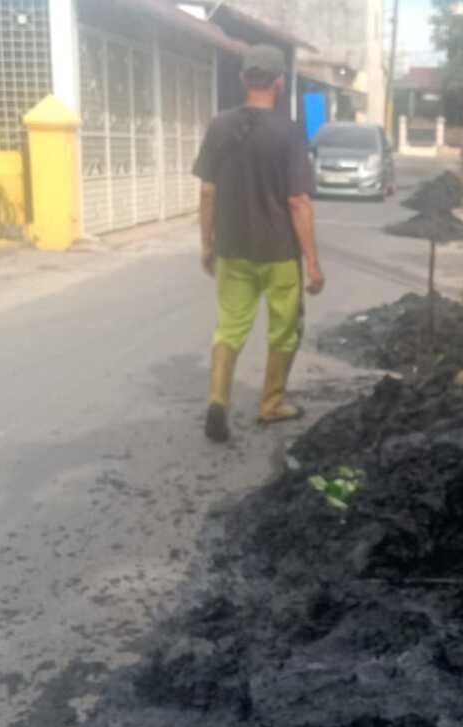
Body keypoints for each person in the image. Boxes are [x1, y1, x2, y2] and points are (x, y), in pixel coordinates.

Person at [193, 44, 325, 443]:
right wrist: (313, 263)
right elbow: (298, 201)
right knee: (284, 329)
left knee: (229, 327)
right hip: (279, 253)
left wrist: (207, 244)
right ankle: (271, 404)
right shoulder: (289, 133)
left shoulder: (219, 126)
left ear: (243, 79)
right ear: (279, 83)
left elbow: (207, 192)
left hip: (233, 248)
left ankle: (218, 399)